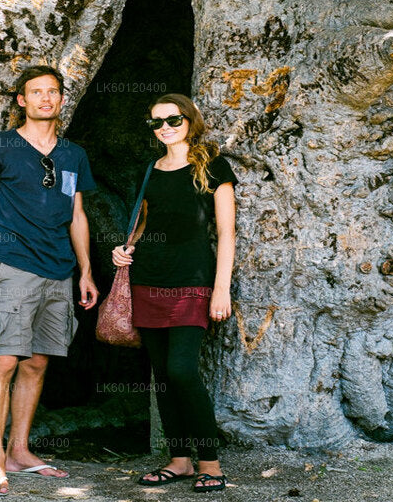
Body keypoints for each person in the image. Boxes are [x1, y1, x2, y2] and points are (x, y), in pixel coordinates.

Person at [0, 65, 100, 497]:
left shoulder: (73, 153)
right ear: (21, 100)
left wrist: (86, 269)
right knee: (3, 359)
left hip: (59, 269)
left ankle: (19, 451)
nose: (45, 99)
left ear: (61, 99)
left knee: (37, 361)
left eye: (53, 92)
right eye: (36, 92)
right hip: (13, 262)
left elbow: (77, 214)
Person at [112, 93, 237, 493]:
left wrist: (221, 290)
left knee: (183, 370)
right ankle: (180, 460)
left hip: (193, 281)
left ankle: (210, 463)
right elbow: (144, 226)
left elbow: (227, 234)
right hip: (148, 279)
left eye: (173, 118)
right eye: (156, 122)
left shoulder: (213, 166)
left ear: (190, 120)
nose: (165, 126)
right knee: (163, 376)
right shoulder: (150, 169)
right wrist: (123, 249)